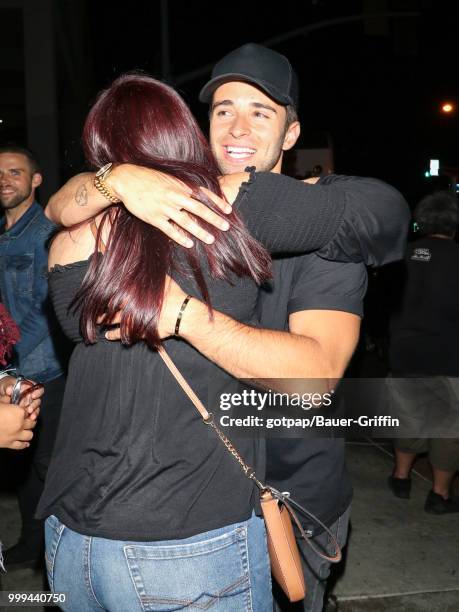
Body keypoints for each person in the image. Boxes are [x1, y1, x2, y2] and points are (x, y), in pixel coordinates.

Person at [46, 47, 409, 611]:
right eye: (222, 111)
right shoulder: (164, 214)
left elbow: (319, 370)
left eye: (261, 113)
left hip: (287, 492)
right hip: (189, 503)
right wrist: (116, 178)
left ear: (291, 134)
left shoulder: (323, 233)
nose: (238, 127)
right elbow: (58, 208)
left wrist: (184, 314)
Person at [0, 145, 67, 568]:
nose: (4, 179)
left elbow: (49, 306)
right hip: (9, 371)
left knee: (47, 467)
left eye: (14, 172)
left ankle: (54, 559)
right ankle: (30, 545)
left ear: (35, 180)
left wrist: (8, 353)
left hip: (44, 371)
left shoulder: (46, 232)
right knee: (19, 465)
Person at [388, 191, 459, 514]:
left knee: (407, 416)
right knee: (449, 426)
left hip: (405, 354)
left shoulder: (402, 256)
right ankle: (439, 494)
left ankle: (401, 477)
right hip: (450, 358)